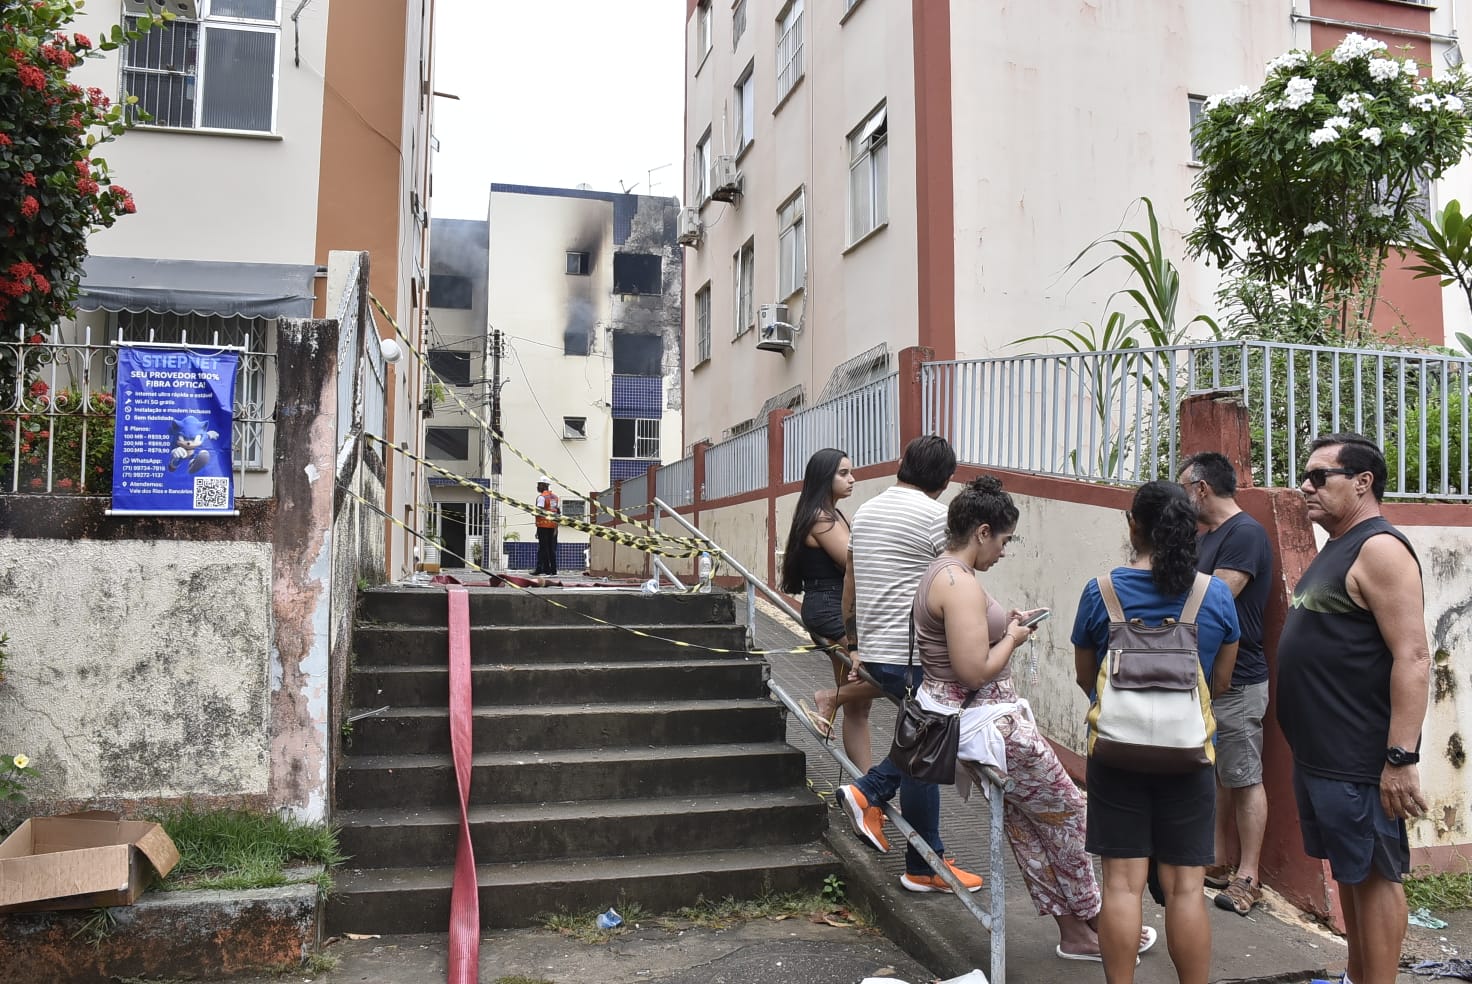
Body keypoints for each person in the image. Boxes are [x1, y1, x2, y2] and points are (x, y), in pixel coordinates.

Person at [913, 475, 1157, 960]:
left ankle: (1076, 932)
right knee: (1070, 814)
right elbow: (974, 668)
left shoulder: (941, 572)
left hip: (970, 725)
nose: (1004, 551)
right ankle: (1098, 919)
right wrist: (1013, 639)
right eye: (1003, 540)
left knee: (1028, 828)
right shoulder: (958, 583)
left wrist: (1007, 623)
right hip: (992, 725)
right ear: (983, 532)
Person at [1072, 481, 1240, 984]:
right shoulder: (1214, 595)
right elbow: (1222, 681)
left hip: (1116, 758)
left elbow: (1086, 676)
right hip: (1188, 757)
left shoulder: (1100, 591)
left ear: (1133, 526)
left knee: (1122, 887)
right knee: (1186, 889)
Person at [1277, 434, 1429, 984]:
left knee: (1377, 878)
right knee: (1351, 875)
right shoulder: (1338, 545)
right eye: (1305, 475)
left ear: (1362, 482)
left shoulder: (1380, 549)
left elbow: (1412, 657)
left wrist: (1399, 756)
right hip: (1321, 756)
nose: (1306, 486)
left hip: (1360, 757)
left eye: (1320, 477)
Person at [834, 435, 983, 894]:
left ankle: (924, 859)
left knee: (922, 747)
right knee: (927, 752)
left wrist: (854, 644)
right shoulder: (937, 516)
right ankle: (877, 799)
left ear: (902, 465)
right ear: (944, 481)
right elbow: (956, 577)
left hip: (877, 652)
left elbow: (851, 583)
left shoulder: (866, 512)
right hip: (916, 655)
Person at [1178, 451, 1274, 916]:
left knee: (1244, 776)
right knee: (1217, 773)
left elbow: (1214, 599)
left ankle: (1249, 876)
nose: (1182, 498)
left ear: (1201, 488)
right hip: (1209, 677)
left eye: (1184, 488)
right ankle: (1216, 861)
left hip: (1237, 678)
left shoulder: (1246, 534)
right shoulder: (1208, 536)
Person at [779, 449, 879, 769]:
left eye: (850, 472)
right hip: (830, 611)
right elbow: (856, 564)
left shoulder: (831, 514)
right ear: (824, 477)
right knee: (884, 674)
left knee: (859, 706)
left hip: (836, 609)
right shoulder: (822, 519)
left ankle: (865, 793)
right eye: (844, 473)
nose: (852, 479)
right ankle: (828, 699)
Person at [533, 475, 560, 576]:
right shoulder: (555, 497)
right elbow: (557, 512)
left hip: (543, 526)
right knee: (551, 549)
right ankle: (553, 570)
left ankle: (545, 570)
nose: (537, 487)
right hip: (552, 526)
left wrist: (533, 512)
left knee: (543, 549)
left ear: (544, 485)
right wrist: (556, 529)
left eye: (539, 485)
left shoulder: (541, 497)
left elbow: (540, 512)